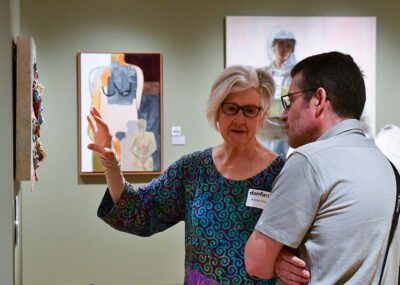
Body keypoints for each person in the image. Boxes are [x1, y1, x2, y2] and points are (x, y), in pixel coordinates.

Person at [87, 65, 292, 284]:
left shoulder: (281, 174)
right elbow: (139, 211)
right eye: (231, 108)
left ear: (261, 116)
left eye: (250, 110)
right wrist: (110, 163)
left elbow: (298, 245)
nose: (240, 120)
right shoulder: (193, 169)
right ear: (217, 112)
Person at [245, 51, 399, 284]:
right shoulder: (387, 166)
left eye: (291, 100)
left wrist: (278, 258)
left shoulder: (308, 161)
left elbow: (257, 263)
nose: (284, 115)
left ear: (318, 99)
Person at [258, 29, 297, 158]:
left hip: (284, 127)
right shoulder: (263, 73)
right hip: (264, 128)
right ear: (273, 46)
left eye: (288, 45)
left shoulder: (295, 75)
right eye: (280, 44)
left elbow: (290, 100)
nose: (284, 49)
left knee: (279, 162)